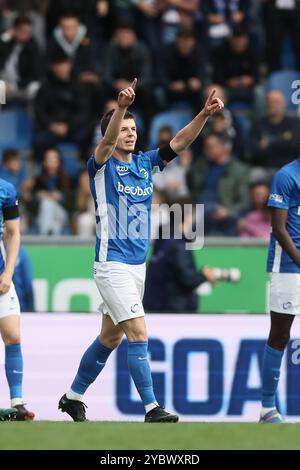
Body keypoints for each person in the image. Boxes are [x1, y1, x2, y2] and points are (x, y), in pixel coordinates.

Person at [58, 78, 224, 422]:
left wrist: (203, 116)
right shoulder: (101, 165)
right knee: (139, 332)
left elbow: (178, 142)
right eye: (124, 129)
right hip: (112, 263)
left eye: (133, 128)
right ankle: (151, 408)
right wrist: (119, 107)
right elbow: (104, 144)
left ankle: (72, 397)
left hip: (137, 266)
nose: (130, 134)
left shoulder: (145, 163)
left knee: (110, 337)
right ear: (113, 134)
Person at [260, 157, 300, 423]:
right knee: (280, 333)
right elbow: (278, 227)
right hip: (288, 266)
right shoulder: (287, 176)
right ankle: (267, 408)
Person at [0, 178, 34, 420]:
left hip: (1, 275)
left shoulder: (6, 189)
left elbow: (13, 233)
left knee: (13, 335)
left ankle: (17, 403)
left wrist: (8, 273)